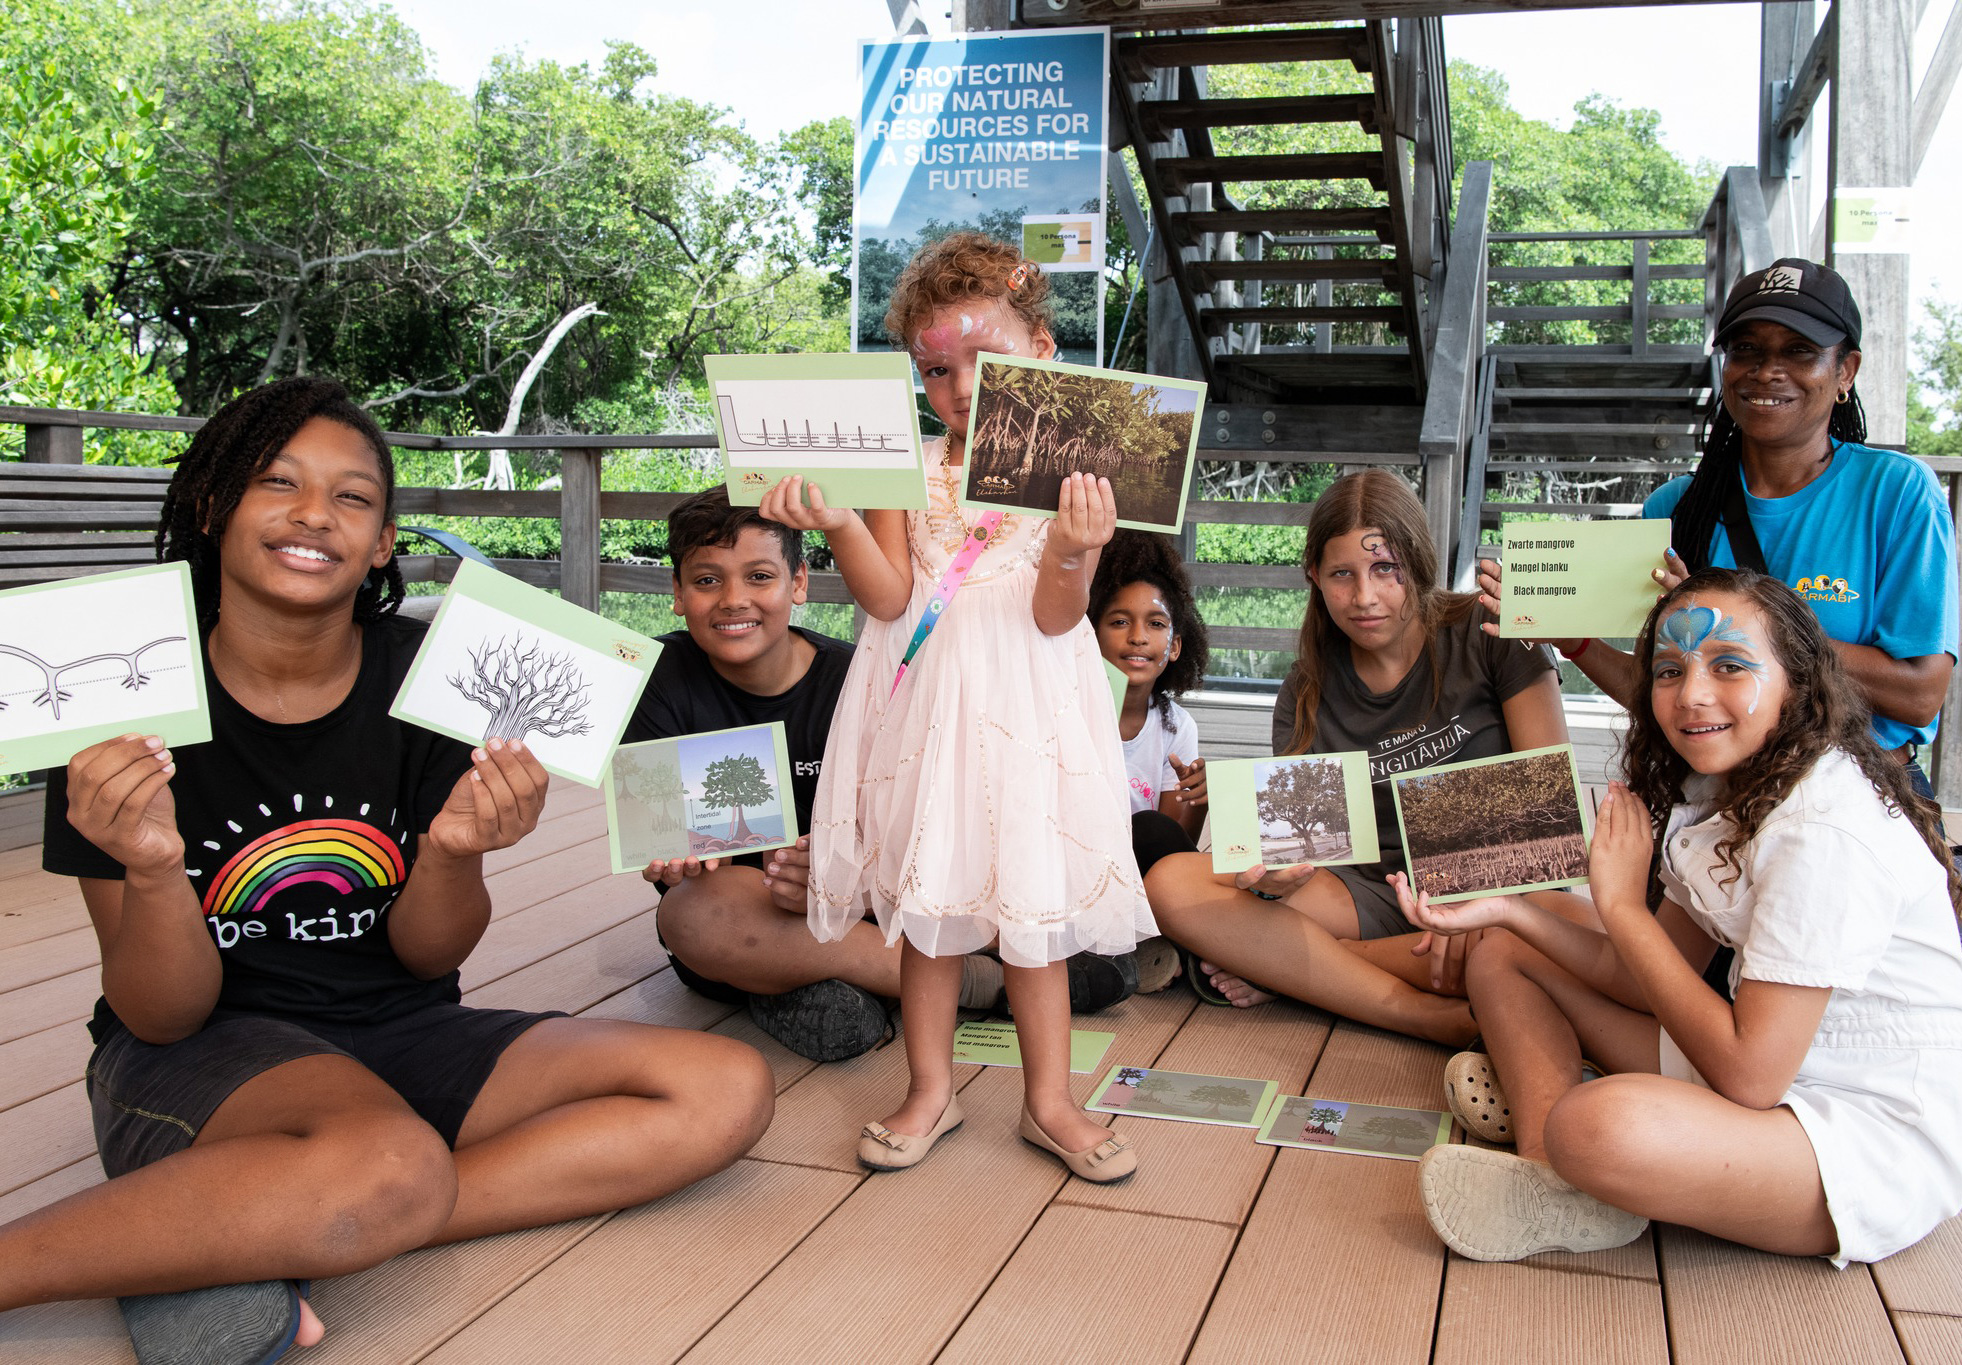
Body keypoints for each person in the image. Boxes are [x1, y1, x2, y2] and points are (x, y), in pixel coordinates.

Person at [0, 378, 774, 1363]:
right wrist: (154, 868)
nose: (315, 513)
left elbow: (427, 955)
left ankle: (261, 1231)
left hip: (400, 1028)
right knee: (386, 1161)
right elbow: (161, 1014)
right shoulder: (117, 690)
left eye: (354, 498)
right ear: (211, 505)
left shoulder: (442, 677)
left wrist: (454, 851)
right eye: (277, 482)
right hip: (202, 1053)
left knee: (722, 1086)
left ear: (380, 543)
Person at [1405, 570, 1962, 1265]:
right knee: (1501, 948)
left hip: (1857, 1134)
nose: (1692, 693)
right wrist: (1508, 911)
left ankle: (1569, 1132)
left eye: (1728, 664)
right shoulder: (1720, 787)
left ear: (1796, 677)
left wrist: (1618, 905)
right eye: (1669, 669)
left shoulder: (1822, 831)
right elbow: (1640, 982)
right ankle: (1551, 1172)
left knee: (1598, 1126)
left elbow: (1750, 1076)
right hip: (1760, 1080)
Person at [769, 232, 1153, 1181]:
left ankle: (1050, 1099)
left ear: (1045, 354)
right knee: (930, 910)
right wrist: (843, 522)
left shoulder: (1073, 469)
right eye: (937, 369)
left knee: (1032, 908)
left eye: (987, 359)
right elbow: (890, 596)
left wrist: (1071, 548)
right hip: (927, 708)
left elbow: (1059, 614)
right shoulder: (914, 463)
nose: (962, 386)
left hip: (1030, 712)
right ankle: (929, 1088)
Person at [1481, 258, 1958, 797]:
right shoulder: (1678, 508)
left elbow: (1919, 694)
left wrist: (1743, 628)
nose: (1767, 370)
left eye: (1799, 350)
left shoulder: (1896, 493)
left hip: (1861, 797)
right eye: (1746, 350)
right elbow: (1664, 690)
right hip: (1717, 808)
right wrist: (1577, 641)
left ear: (1845, 370)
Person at [1144, 470, 1580, 1042]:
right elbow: (1307, 851)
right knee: (1173, 882)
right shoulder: (1304, 688)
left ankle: (1317, 970)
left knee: (1520, 943)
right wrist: (1274, 887)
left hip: (1500, 895)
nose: (1364, 596)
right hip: (1373, 892)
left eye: (1385, 570)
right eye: (1342, 575)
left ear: (1418, 564)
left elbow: (1550, 813)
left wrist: (1473, 902)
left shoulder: (1488, 629)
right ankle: (1416, 1009)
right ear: (1315, 578)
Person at [629, 487, 1013, 1062]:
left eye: (760, 577)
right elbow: (658, 833)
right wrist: (666, 855)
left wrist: (849, 877)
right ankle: (983, 984)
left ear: (799, 584)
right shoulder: (654, 675)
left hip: (861, 905)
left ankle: (823, 990)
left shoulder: (858, 679)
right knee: (691, 914)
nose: (734, 600)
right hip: (741, 911)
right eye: (707, 581)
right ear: (678, 594)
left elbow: (917, 820)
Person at [1091, 530, 1210, 994]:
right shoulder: (1073, 711)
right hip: (1082, 867)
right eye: (1119, 621)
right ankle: (1153, 949)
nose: (1138, 637)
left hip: (1143, 878)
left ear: (1175, 646)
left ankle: (1160, 941)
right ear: (1093, 633)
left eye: (1156, 624)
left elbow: (1173, 844)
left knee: (1154, 831)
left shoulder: (1175, 725)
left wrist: (1198, 798)